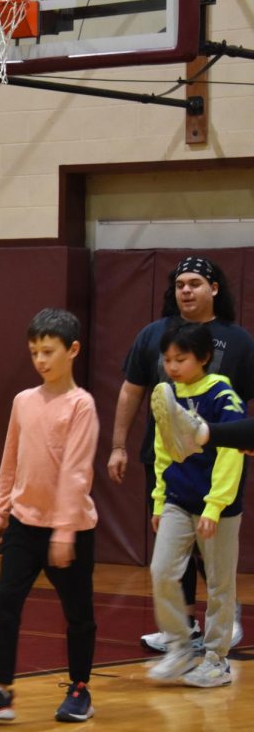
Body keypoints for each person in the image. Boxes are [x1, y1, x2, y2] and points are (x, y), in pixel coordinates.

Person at [0, 309, 98, 723]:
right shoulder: (23, 401)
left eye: (48, 351)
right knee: (4, 605)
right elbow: (10, 459)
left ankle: (79, 689)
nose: (40, 359)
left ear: (72, 350)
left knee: (78, 614)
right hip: (23, 524)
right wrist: (0, 511)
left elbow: (76, 471)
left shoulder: (81, 406)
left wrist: (65, 531)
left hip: (69, 530)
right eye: (34, 351)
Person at [107, 256, 254, 651]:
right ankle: (182, 628)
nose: (186, 290)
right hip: (169, 460)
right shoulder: (154, 334)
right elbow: (131, 389)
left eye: (195, 283)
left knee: (214, 553)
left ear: (214, 289)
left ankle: (222, 624)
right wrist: (118, 445)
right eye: (179, 284)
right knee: (172, 555)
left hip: (220, 462)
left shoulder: (237, 341)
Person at [145, 321, 244, 687]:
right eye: (167, 359)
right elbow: (162, 451)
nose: (172, 366)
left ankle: (217, 659)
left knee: (219, 583)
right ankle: (179, 646)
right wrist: (158, 501)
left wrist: (215, 506)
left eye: (181, 358)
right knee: (162, 571)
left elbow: (233, 452)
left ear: (203, 357)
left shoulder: (221, 394)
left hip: (217, 505)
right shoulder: (166, 394)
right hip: (176, 500)